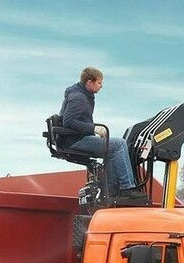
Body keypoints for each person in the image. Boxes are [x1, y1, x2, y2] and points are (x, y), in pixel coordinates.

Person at [58, 67, 146, 200]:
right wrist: (94, 128)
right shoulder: (79, 98)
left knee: (112, 149)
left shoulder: (81, 94)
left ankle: (111, 190)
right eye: (99, 83)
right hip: (76, 141)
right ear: (89, 82)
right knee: (119, 144)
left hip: (75, 138)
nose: (101, 86)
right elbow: (68, 122)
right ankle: (127, 188)